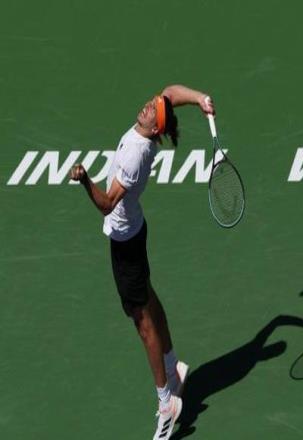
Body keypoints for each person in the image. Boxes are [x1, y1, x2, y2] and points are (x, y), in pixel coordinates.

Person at [69, 85, 215, 440]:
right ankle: (173, 367)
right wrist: (199, 99)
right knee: (146, 297)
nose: (148, 106)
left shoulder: (136, 154)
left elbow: (107, 205)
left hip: (125, 242)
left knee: (142, 324)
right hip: (135, 231)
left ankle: (166, 404)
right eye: (152, 104)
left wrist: (85, 179)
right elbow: (170, 94)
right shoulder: (148, 129)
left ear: (154, 129)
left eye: (153, 111)